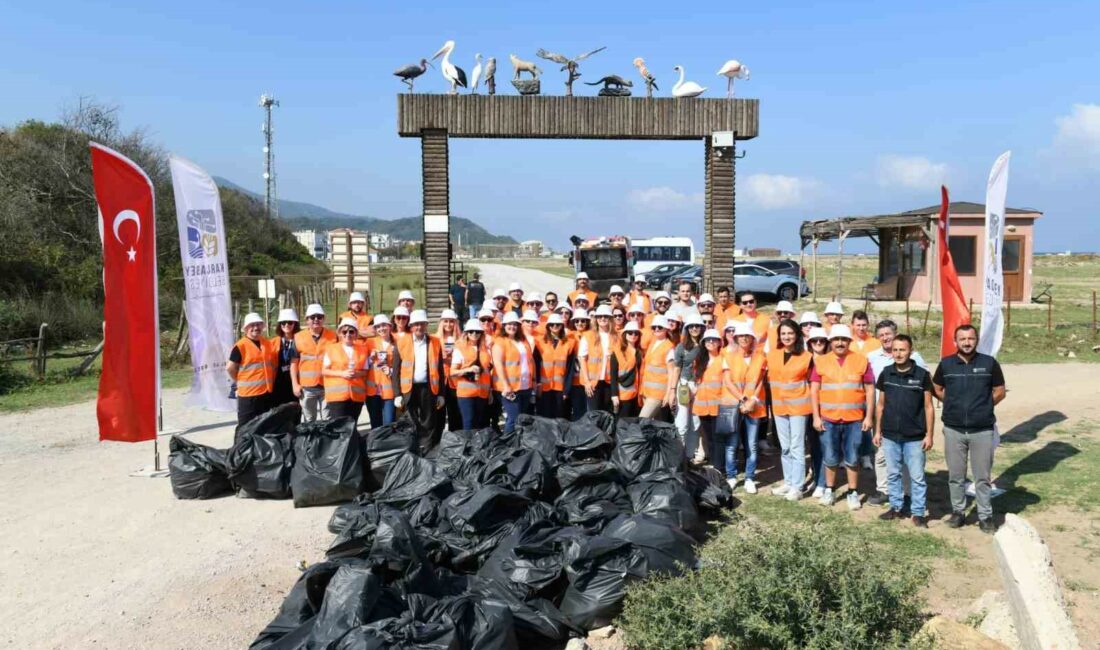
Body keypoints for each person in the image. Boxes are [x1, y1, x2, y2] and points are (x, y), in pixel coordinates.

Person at [933, 324, 1007, 534]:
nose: (967, 342)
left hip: (982, 430)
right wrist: (952, 404)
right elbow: (937, 388)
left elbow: (1000, 391)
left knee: (982, 477)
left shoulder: (989, 363)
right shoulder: (946, 364)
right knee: (956, 475)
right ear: (955, 341)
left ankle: (985, 516)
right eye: (962, 339)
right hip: (953, 430)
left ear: (976, 340)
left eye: (971, 338)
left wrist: (983, 407)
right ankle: (958, 512)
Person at [811, 324, 875, 510]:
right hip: (828, 419)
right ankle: (829, 490)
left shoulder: (861, 361)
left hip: (854, 419)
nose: (840, 343)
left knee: (853, 457)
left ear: (849, 341)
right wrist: (816, 416)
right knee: (829, 456)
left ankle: (852, 493)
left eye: (843, 340)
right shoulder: (821, 361)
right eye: (836, 339)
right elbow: (814, 390)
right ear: (830, 341)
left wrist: (868, 417)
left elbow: (870, 391)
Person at [865, 319, 928, 506]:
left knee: (908, 458)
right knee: (882, 455)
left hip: (909, 416)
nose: (885, 338)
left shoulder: (915, 358)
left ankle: (907, 493)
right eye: (881, 335)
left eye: (888, 334)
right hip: (882, 412)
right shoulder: (872, 357)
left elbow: (925, 386)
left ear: (895, 335)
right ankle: (884, 490)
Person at [874, 334, 934, 527]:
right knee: (893, 474)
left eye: (903, 350)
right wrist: (877, 431)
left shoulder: (921, 375)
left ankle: (917, 512)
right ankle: (896, 508)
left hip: (915, 437)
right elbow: (880, 405)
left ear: (910, 351)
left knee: (917, 477)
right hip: (890, 435)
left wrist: (929, 435)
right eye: (895, 350)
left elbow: (928, 407)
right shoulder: (886, 373)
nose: (898, 354)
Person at [767, 319, 812, 501]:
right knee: (785, 447)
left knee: (797, 446)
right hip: (779, 406)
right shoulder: (773, 355)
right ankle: (788, 481)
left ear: (797, 335)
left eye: (790, 333)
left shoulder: (807, 357)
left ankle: (798, 486)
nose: (786, 336)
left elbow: (811, 382)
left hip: (799, 406)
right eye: (783, 333)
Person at [720, 322, 767, 493]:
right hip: (734, 405)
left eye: (747, 336)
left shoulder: (760, 357)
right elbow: (727, 381)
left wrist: (752, 400)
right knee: (732, 444)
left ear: (752, 338)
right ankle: (731, 476)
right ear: (736, 338)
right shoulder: (728, 356)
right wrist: (743, 399)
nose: (744, 339)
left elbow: (760, 381)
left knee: (752, 444)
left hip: (753, 407)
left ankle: (749, 478)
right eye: (741, 336)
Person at [395, 310, 446, 453]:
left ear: (426, 325)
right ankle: (412, 450)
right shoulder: (402, 342)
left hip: (429, 388)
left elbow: (440, 370)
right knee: (411, 421)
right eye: (416, 325)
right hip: (409, 388)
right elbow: (396, 370)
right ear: (411, 326)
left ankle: (428, 451)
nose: (419, 328)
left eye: (422, 324)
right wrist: (397, 394)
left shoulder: (435, 342)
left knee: (429, 421)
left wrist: (441, 394)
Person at [227, 312, 277, 427]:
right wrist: (239, 380)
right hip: (248, 395)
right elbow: (230, 368)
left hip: (266, 394)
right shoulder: (240, 346)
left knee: (263, 426)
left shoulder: (268, 344)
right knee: (245, 428)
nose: (256, 328)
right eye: (252, 325)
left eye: (258, 324)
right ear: (246, 328)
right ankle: (241, 446)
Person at [292, 304, 338, 423]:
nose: (316, 319)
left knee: (327, 420)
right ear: (307, 320)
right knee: (309, 419)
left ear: (324, 319)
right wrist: (295, 384)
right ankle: (310, 441)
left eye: (319, 317)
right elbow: (294, 363)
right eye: (312, 317)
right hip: (307, 388)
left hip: (327, 385)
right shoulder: (298, 337)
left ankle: (325, 442)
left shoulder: (333, 336)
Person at [321, 318, 371, 423]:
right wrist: (342, 374)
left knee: (352, 425)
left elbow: (365, 371)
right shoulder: (331, 349)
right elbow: (324, 371)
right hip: (337, 397)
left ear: (356, 334)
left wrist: (357, 374)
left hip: (356, 396)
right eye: (344, 331)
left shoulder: (363, 349)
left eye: (351, 331)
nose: (348, 334)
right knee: (340, 428)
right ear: (339, 333)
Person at [493, 312, 536, 433]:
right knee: (513, 419)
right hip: (510, 388)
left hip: (525, 386)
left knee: (522, 419)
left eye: (515, 324)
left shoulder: (523, 341)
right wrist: (506, 386)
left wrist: (533, 381)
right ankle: (508, 446)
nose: (512, 327)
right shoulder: (500, 341)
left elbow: (530, 361)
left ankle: (519, 445)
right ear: (504, 325)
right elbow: (498, 365)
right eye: (509, 324)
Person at [673, 314, 706, 461]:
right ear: (687, 329)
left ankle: (689, 456)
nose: (694, 329)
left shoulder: (707, 345)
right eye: (691, 326)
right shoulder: (681, 347)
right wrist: (672, 390)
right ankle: (678, 456)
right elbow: (676, 369)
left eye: (697, 326)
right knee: (682, 423)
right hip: (685, 385)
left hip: (701, 386)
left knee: (695, 423)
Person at [692, 328, 725, 469]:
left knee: (718, 439)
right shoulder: (699, 361)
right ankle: (713, 463)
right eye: (708, 340)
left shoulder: (723, 360)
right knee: (709, 438)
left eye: (714, 340)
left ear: (719, 343)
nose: (711, 342)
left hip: (719, 406)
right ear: (703, 343)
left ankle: (720, 467)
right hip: (702, 406)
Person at [450, 319, 491, 429]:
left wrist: (490, 392)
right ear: (466, 333)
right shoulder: (460, 349)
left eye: (477, 332)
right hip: (466, 394)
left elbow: (488, 372)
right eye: (471, 331)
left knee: (479, 423)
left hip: (482, 393)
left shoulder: (486, 350)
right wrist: (468, 369)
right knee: (468, 422)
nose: (474, 334)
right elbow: (452, 372)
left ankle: (476, 446)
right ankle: (468, 445)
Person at [805, 326, 830, 496]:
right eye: (815, 341)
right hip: (805, 408)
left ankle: (823, 482)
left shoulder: (830, 360)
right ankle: (816, 478)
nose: (819, 343)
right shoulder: (804, 360)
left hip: (825, 407)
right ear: (810, 343)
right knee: (813, 446)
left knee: (824, 446)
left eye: (822, 340)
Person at [535, 314, 575, 418]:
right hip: (544, 388)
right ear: (548, 326)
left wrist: (566, 389)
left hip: (560, 388)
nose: (555, 326)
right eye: (552, 324)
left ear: (562, 326)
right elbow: (535, 365)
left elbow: (570, 370)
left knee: (559, 416)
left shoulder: (569, 344)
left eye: (558, 324)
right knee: (544, 416)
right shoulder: (540, 343)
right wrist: (538, 384)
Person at [579, 305, 616, 412]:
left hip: (609, 382)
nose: (603, 319)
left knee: (607, 413)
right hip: (593, 383)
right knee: (594, 414)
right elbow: (582, 359)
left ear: (610, 318)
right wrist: (587, 382)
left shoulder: (615, 336)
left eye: (606, 316)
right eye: (599, 316)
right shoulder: (588, 336)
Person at [638, 315, 675, 420]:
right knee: (653, 425)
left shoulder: (669, 347)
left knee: (642, 420)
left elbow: (672, 373)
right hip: (647, 392)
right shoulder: (653, 344)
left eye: (660, 327)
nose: (657, 329)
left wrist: (668, 394)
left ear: (666, 329)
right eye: (654, 327)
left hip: (658, 394)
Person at [367, 314, 399, 426]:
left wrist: (391, 371)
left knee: (389, 422)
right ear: (375, 329)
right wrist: (370, 358)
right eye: (378, 327)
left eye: (384, 325)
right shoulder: (370, 343)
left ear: (390, 326)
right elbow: (362, 364)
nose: (381, 328)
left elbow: (403, 366)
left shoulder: (397, 343)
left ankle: (388, 443)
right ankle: (376, 443)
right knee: (375, 423)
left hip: (389, 390)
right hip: (372, 391)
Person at [436, 309, 461, 433]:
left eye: (451, 322)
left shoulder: (461, 339)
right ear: (441, 322)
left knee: (455, 411)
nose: (448, 324)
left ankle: (455, 438)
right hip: (440, 379)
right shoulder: (435, 339)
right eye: (446, 321)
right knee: (439, 411)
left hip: (455, 380)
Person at [611, 321, 643, 417]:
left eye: (636, 333)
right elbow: (613, 376)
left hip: (637, 396)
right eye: (630, 332)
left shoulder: (640, 352)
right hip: (623, 396)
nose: (633, 335)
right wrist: (614, 395)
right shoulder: (617, 352)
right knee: (622, 424)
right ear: (625, 335)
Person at [271, 309, 301, 408]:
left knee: (295, 411)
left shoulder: (300, 340)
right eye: (283, 323)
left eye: (290, 322)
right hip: (278, 383)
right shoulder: (273, 342)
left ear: (295, 324)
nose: (286, 325)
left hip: (296, 381)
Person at [567, 309, 592, 420]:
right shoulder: (570, 336)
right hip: (575, 380)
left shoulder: (592, 335)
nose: (580, 323)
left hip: (589, 379)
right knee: (577, 409)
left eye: (583, 321)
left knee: (589, 410)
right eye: (577, 321)